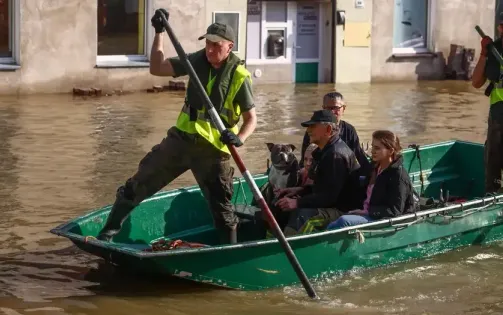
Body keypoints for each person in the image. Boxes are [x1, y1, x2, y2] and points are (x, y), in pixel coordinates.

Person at [95, 9, 257, 244]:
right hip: (180, 141)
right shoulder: (195, 61)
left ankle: (228, 254)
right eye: (208, 44)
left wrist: (239, 137)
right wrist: (159, 32)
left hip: (212, 151)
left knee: (222, 210)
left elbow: (251, 119)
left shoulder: (240, 76)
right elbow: (157, 67)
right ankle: (106, 235)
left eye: (217, 45)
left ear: (230, 46)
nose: (210, 50)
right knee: (137, 184)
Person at [274, 110, 360, 235]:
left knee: (303, 217)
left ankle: (286, 248)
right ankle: (270, 240)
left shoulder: (335, 155)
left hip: (341, 210)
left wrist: (297, 202)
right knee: (281, 207)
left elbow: (329, 197)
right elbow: (323, 187)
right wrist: (299, 191)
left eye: (313, 126)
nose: (308, 130)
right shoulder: (325, 151)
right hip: (329, 203)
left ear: (328, 130)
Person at [326, 130, 418, 230]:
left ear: (390, 151)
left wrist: (368, 212)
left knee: (344, 221)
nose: (372, 151)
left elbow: (394, 211)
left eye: (377, 148)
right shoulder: (374, 168)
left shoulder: (398, 176)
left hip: (381, 220)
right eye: (372, 146)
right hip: (366, 213)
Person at [299, 92, 371, 177]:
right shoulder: (314, 131)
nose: (332, 112)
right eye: (328, 108)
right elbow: (305, 159)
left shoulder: (349, 130)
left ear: (343, 108)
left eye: (335, 108)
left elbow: (358, 156)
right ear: (323, 109)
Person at [471, 14, 503, 194]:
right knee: (493, 159)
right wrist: (483, 53)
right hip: (497, 116)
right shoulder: (493, 51)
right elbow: (476, 82)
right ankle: (492, 197)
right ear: (500, 28)